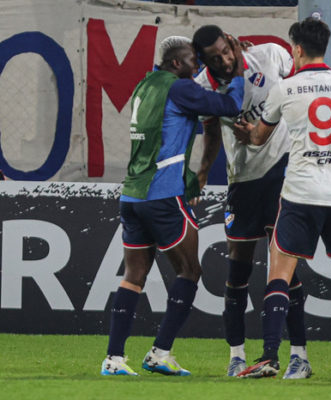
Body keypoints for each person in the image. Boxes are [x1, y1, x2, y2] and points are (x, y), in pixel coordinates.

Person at [192, 25, 331, 379]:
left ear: (233, 41)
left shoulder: (269, 55)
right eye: (215, 57)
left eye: (226, 50)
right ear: (204, 61)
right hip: (244, 180)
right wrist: (203, 172)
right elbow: (211, 131)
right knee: (238, 271)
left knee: (285, 271)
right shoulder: (203, 87)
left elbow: (302, 91)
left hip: (284, 173)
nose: (224, 59)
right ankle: (237, 356)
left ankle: (296, 355)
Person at [100, 36, 245, 376]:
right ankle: (160, 352)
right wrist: (236, 74)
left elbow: (162, 140)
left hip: (132, 195)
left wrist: (189, 176)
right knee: (190, 271)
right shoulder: (179, 88)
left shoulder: (145, 86)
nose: (197, 72)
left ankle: (114, 359)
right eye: (194, 65)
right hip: (162, 196)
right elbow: (229, 106)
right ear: (177, 64)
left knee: (133, 275)